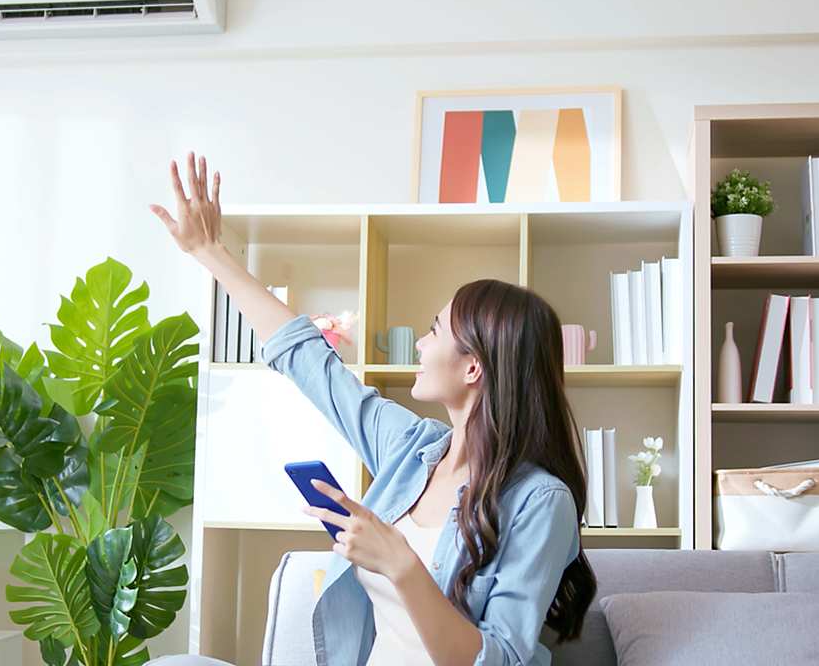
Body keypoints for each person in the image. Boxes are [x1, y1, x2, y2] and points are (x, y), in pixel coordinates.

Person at [151, 153, 597, 666]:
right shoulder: (413, 449)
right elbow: (312, 363)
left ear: (473, 367)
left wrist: (402, 564)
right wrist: (210, 253)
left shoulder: (540, 502)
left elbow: (504, 660)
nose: (421, 345)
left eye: (434, 331)